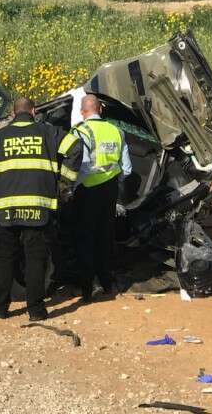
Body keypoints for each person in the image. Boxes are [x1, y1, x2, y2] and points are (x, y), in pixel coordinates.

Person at [0, 96, 82, 321]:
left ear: (13, 114)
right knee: (35, 260)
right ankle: (36, 310)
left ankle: (0, 309)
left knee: (5, 259)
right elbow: (75, 147)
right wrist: (64, 183)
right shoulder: (48, 132)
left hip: (6, 209)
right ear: (33, 112)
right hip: (38, 208)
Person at [71, 94, 132, 302]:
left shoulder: (80, 131)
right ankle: (106, 283)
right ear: (101, 110)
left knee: (85, 238)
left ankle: (87, 289)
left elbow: (83, 165)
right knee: (105, 236)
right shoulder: (117, 131)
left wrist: (71, 188)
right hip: (110, 190)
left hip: (87, 191)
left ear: (82, 112)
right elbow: (128, 169)